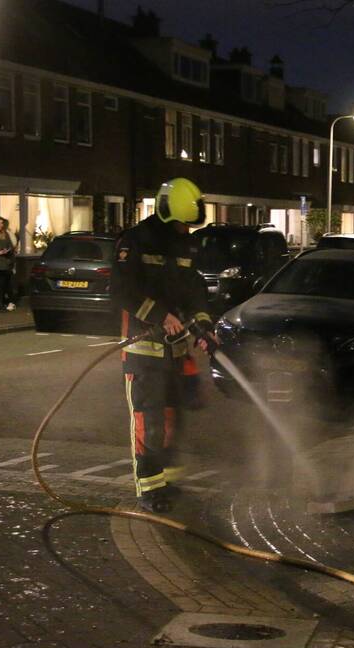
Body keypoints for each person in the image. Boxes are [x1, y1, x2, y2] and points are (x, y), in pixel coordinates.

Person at [111, 178, 215, 513]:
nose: (187, 230)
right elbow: (122, 291)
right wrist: (159, 316)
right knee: (150, 422)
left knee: (173, 422)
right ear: (169, 214)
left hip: (176, 351)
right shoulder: (135, 241)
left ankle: (167, 482)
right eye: (183, 223)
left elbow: (192, 289)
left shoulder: (183, 245)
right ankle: (149, 488)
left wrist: (202, 324)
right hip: (143, 353)